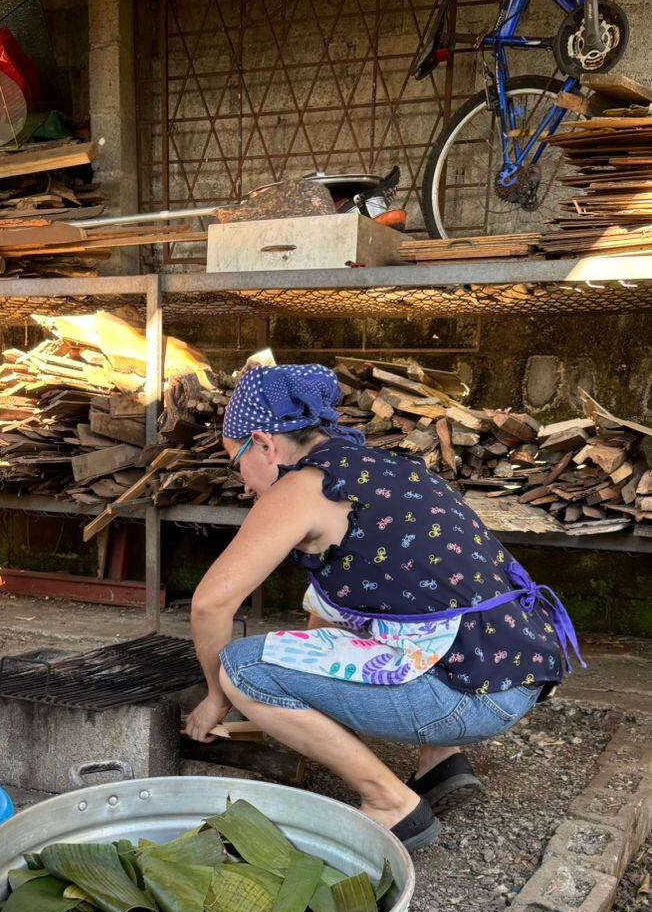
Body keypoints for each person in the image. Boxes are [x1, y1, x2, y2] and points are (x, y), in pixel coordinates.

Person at [185, 363, 582, 851]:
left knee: (242, 668)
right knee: (405, 617)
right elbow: (332, 610)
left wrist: (218, 697)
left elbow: (211, 604)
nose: (243, 483)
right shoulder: (386, 468)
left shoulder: (300, 487)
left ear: (265, 444)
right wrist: (312, 695)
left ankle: (391, 804)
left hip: (469, 696)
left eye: (236, 461)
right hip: (516, 670)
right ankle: (441, 764)